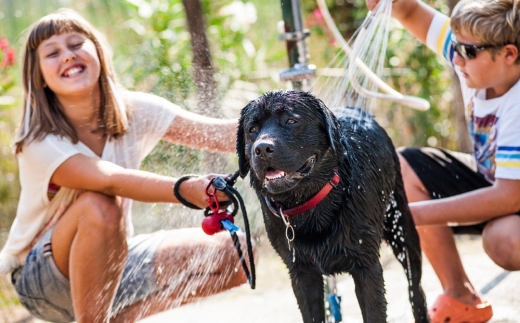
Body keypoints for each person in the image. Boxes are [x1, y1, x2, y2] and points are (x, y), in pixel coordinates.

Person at [0, 8, 253, 323]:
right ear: (39, 77)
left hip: (112, 263)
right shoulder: (37, 140)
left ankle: (120, 319)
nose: (67, 55)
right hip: (42, 277)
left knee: (238, 253)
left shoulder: (134, 109)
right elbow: (109, 180)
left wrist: (285, 116)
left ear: (98, 52)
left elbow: (222, 135)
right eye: (52, 53)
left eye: (76, 44)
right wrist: (185, 189)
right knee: (99, 203)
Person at [364, 0, 520, 322]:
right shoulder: (475, 58)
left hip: (510, 192)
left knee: (505, 241)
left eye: (467, 52)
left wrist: (404, 215)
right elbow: (407, 12)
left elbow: (510, 196)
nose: (456, 58)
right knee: (403, 167)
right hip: (500, 182)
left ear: (509, 54)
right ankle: (461, 299)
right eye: (456, 46)